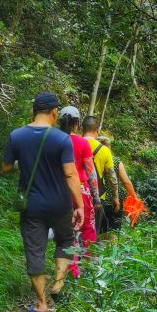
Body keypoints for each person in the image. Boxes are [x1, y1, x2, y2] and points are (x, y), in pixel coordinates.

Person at [2, 92, 83, 312]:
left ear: (34, 111)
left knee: (35, 250)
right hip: (60, 203)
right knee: (65, 240)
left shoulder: (16, 136)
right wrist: (80, 205)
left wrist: (22, 163)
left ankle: (42, 304)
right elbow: (70, 174)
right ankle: (58, 285)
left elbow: (6, 167)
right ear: (55, 112)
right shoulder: (62, 139)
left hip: (32, 205)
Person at [57, 106, 98, 267]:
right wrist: (96, 197)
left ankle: (71, 268)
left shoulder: (55, 141)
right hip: (81, 190)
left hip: (60, 191)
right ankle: (90, 266)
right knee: (87, 229)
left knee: (67, 230)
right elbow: (91, 173)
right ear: (77, 124)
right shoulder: (82, 143)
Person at [82, 116, 122, 242]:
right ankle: (90, 253)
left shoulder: (73, 144)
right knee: (94, 231)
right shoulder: (104, 150)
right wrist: (115, 197)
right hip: (97, 197)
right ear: (97, 130)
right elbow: (112, 176)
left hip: (76, 193)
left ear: (82, 128)